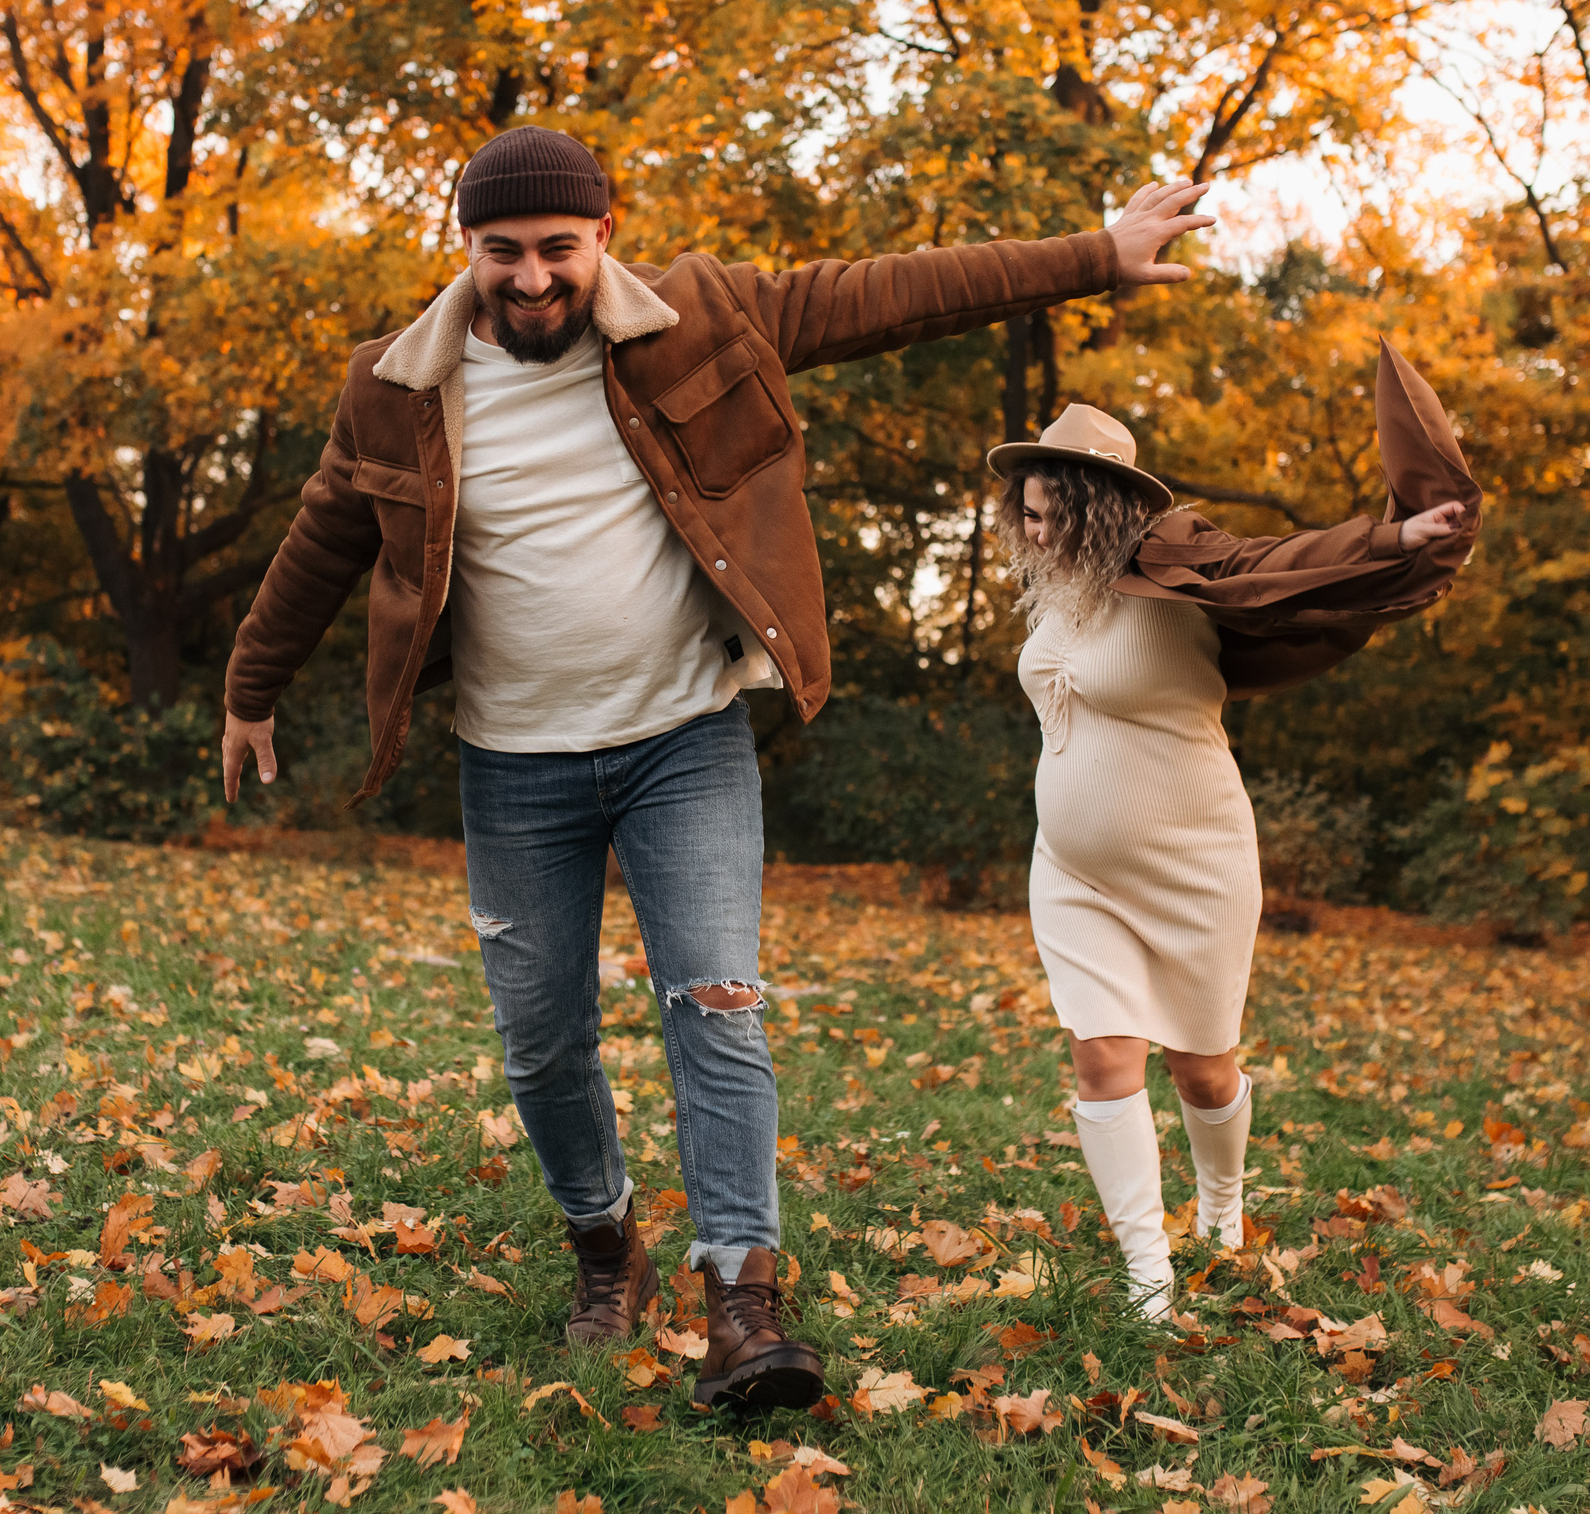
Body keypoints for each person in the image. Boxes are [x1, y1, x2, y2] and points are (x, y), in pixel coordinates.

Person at [217, 124, 1216, 1408]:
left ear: (604, 237)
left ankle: (742, 1296)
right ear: (462, 246)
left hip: (683, 739)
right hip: (514, 764)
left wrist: (1097, 254)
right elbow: (320, 535)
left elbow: (887, 292)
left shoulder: (701, 315)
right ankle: (603, 1246)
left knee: (718, 1005)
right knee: (541, 1042)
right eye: (501, 252)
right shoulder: (397, 385)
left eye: (556, 250)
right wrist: (250, 686)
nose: (530, 279)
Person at [994, 343, 1480, 1319]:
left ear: (1095, 510)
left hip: (1195, 858)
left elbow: (1280, 568)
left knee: (1203, 1065)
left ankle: (1222, 1208)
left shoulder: (1178, 563)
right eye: (1026, 513)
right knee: (1101, 1055)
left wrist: (1395, 538)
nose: (1031, 530)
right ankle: (1147, 1279)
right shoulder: (1054, 601)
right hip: (1073, 872)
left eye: (1049, 515)